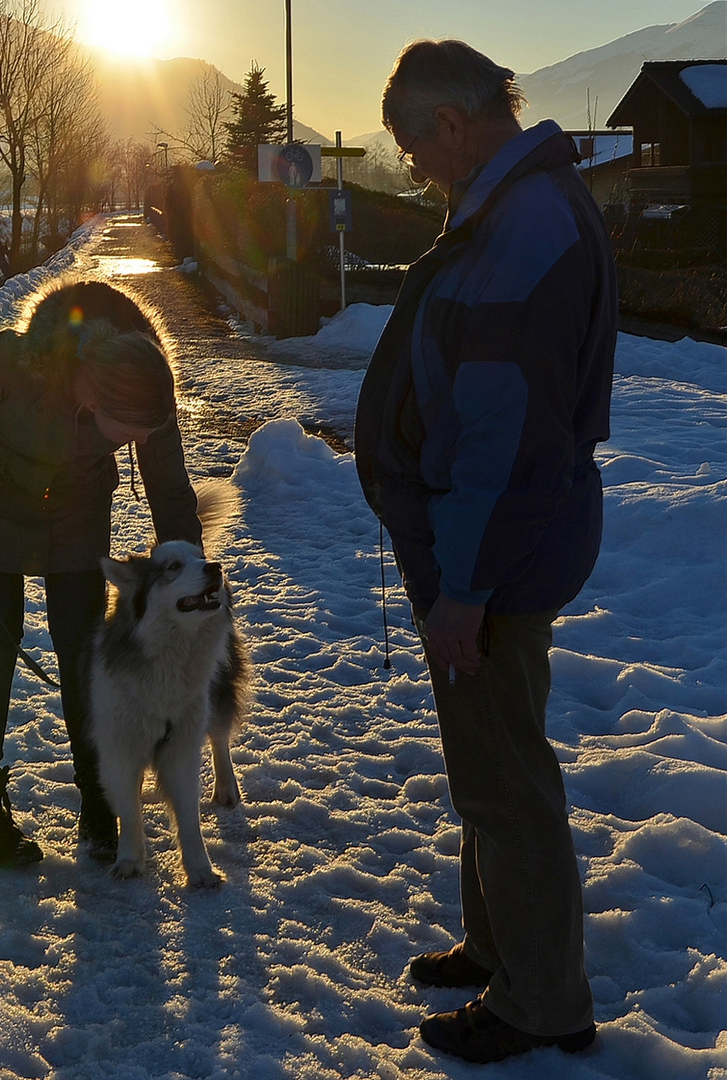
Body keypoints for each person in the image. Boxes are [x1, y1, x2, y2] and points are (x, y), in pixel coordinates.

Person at [354, 40, 615, 1063]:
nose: (413, 170)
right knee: (488, 767)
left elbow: (499, 439)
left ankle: (540, 1002)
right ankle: (499, 945)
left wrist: (458, 588)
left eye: (412, 149)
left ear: (450, 124)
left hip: (495, 556)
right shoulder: (513, 207)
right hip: (495, 547)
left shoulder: (521, 228)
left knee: (504, 782)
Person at [0, 281, 203, 868]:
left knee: (82, 647)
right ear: (97, 405)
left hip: (75, 507)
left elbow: (170, 490)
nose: (144, 442)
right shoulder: (14, 362)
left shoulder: (144, 385)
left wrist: (190, 577)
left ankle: (101, 796)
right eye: (133, 436)